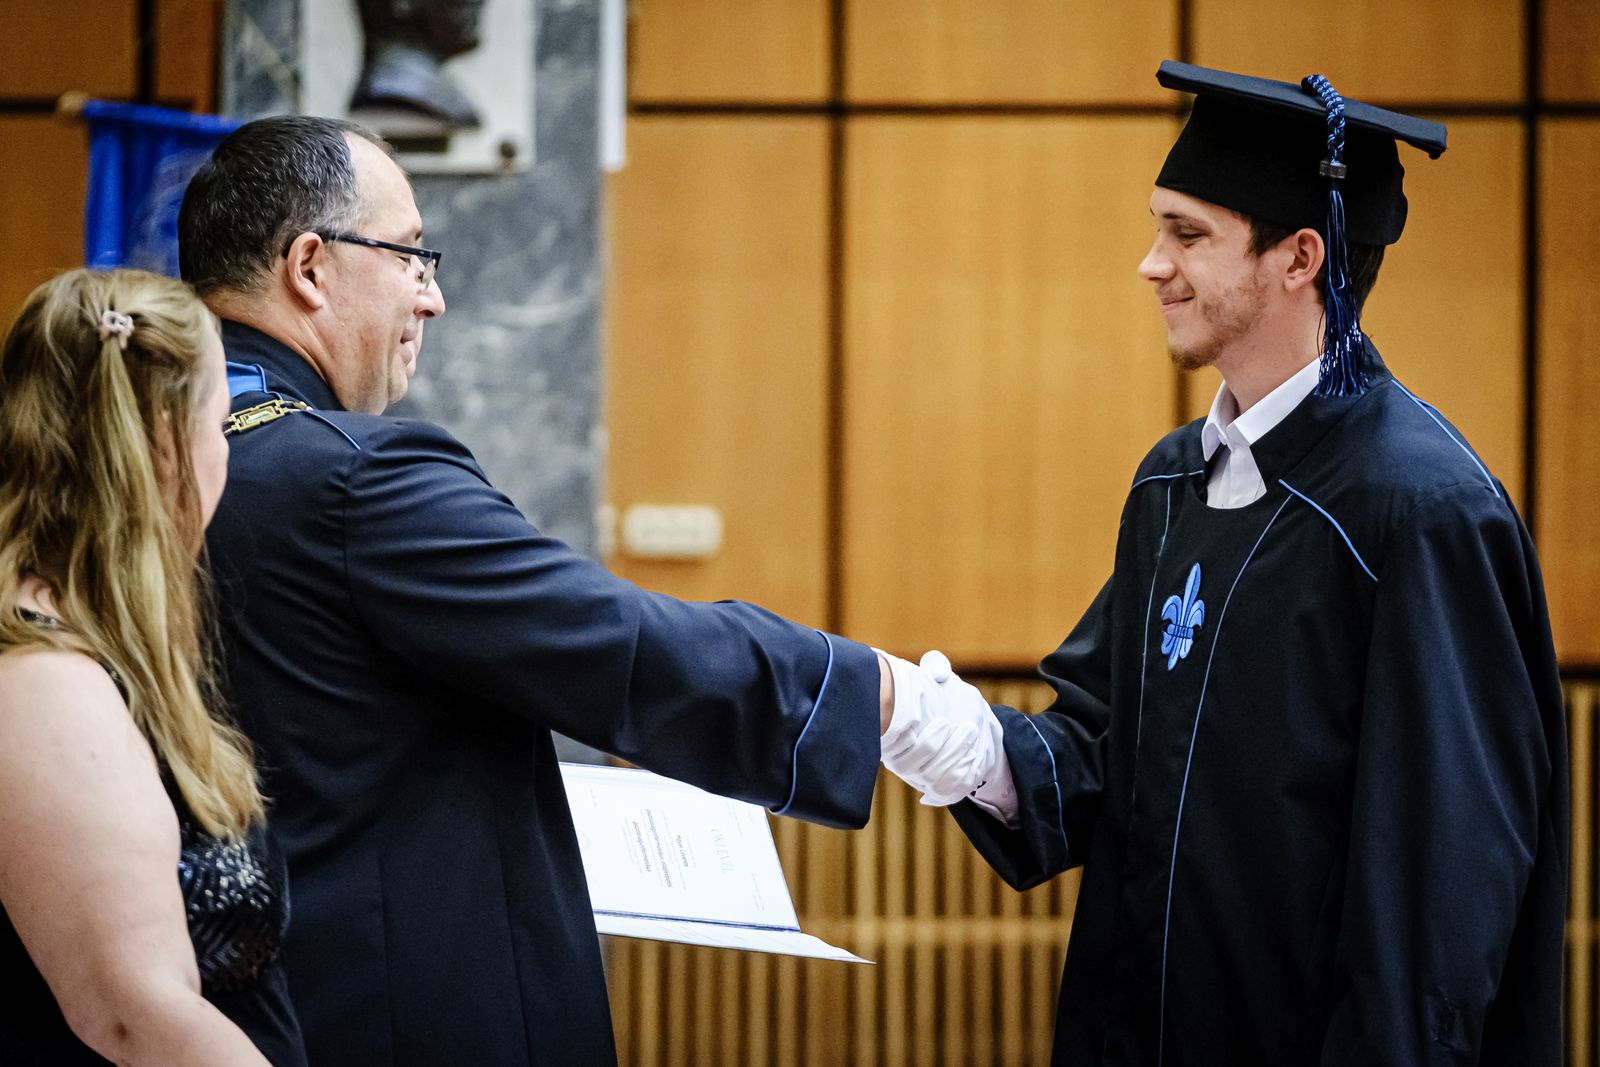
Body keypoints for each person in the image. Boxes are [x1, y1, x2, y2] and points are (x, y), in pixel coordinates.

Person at [176, 115, 982, 1064]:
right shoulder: (354, 477)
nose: (433, 298)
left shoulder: (147, 463)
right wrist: (890, 701)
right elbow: (621, 644)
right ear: (311, 267)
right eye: (411, 257)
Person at [881, 63, 1568, 1064]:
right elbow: (1100, 763)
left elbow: (1437, 910)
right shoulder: (1171, 484)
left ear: (1298, 258)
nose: (1150, 264)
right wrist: (925, 724)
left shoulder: (1422, 510)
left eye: (1187, 234)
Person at [0, 268, 306, 1065]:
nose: (226, 451)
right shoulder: (44, 680)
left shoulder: (98, 631)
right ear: (168, 443)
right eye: (221, 422)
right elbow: (135, 1017)